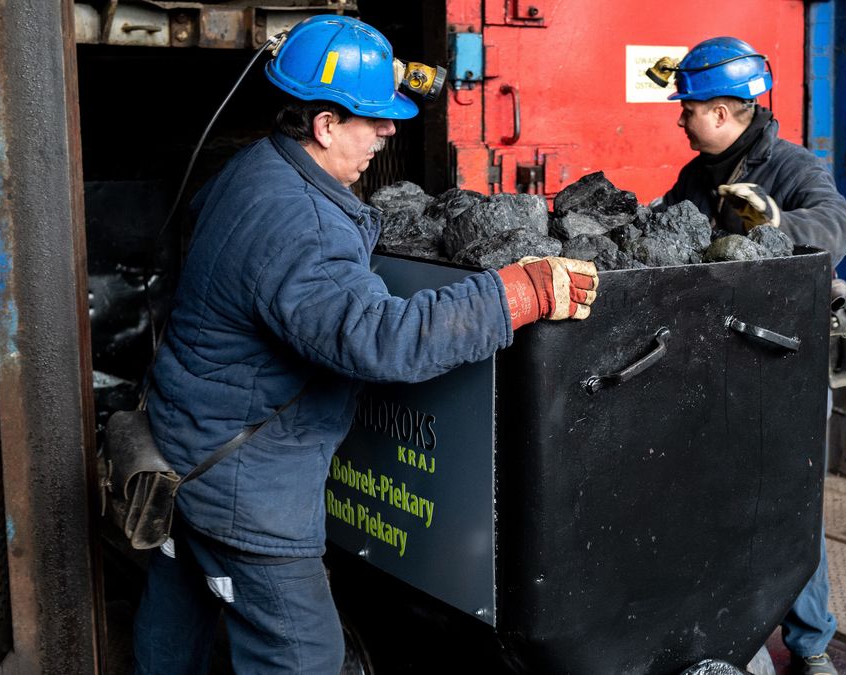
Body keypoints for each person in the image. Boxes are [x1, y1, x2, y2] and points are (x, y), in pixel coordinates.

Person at [131, 15, 598, 674]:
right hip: (244, 491)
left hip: (184, 448)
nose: (389, 131)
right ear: (324, 125)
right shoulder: (304, 224)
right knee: (303, 654)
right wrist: (514, 295)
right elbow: (381, 340)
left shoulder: (253, 169)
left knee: (175, 617)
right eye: (373, 118)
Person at [655, 37, 846, 675]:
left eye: (686, 108)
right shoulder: (697, 175)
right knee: (713, 496)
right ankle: (726, 632)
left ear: (719, 112)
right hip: (717, 356)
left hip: (785, 362)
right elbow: (667, 232)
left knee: (788, 504)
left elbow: (838, 224)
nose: (680, 118)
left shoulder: (789, 166)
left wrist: (777, 223)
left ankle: (811, 646)